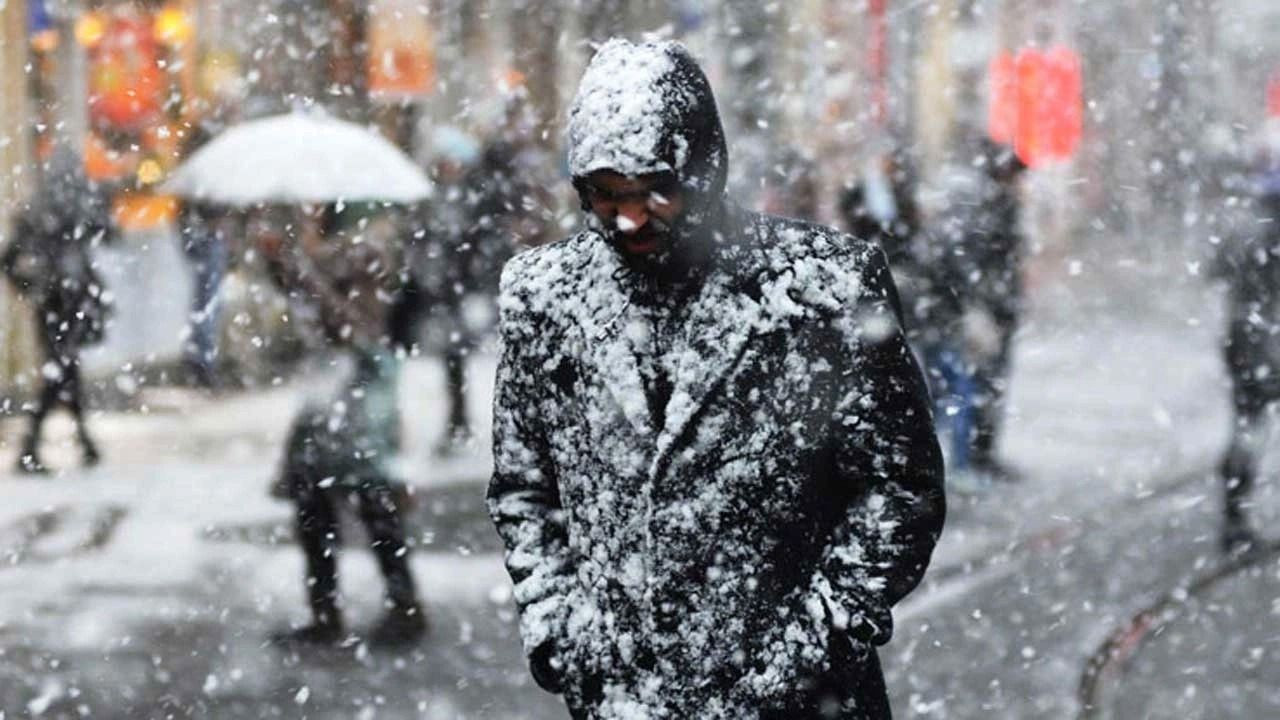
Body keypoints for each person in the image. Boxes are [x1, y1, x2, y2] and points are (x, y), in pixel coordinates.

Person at [488, 39, 945, 719]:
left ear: (703, 168)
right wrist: (562, 630)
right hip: (622, 702)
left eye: (654, 192)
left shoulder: (827, 288)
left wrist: (805, 654)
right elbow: (526, 488)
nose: (629, 218)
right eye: (605, 195)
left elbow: (899, 491)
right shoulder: (543, 297)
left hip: (803, 703)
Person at [268, 214, 426, 647]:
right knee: (316, 520)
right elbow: (325, 320)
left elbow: (355, 327)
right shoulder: (337, 267)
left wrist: (306, 273)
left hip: (361, 420)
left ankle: (403, 608)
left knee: (378, 518)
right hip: (330, 415)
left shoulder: (370, 270)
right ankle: (327, 614)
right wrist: (291, 266)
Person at [2, 149, 113, 473]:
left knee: (65, 370)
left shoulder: (43, 208)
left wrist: (30, 288)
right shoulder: (67, 206)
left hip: (57, 301)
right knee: (61, 372)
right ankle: (35, 447)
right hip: (67, 300)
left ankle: (78, 442)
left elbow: (9, 261)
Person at [1211, 141, 1280, 555]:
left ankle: (1233, 519)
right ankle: (1235, 523)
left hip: (1243, 340)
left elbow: (1215, 271)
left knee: (1245, 430)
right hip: (1267, 343)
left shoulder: (1241, 227)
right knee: (1248, 432)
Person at [945, 139, 1028, 481]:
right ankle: (980, 455)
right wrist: (984, 303)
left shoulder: (992, 205)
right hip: (994, 309)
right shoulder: (995, 208)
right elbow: (983, 260)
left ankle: (983, 453)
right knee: (985, 383)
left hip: (997, 307)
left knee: (987, 384)